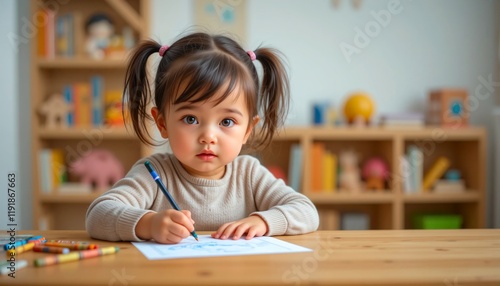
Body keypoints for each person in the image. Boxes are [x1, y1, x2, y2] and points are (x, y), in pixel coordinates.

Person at [86, 32, 319, 244]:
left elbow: (306, 211)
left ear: (248, 129)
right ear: (162, 123)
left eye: (226, 122)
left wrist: (264, 222)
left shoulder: (249, 174)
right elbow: (98, 215)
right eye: (190, 119)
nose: (208, 137)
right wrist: (148, 224)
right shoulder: (153, 173)